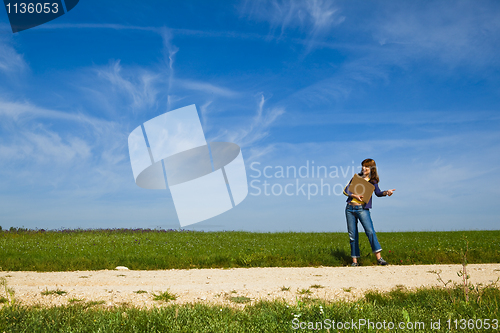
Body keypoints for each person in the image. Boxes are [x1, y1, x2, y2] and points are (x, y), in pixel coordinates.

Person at [343, 159, 395, 266]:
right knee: (353, 235)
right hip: (349, 209)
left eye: (366, 166)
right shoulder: (356, 178)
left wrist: (387, 192)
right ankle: (355, 261)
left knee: (370, 232)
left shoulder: (373, 181)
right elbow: (346, 190)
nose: (364, 168)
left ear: (372, 168)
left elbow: (378, 193)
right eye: (363, 166)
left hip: (362, 209)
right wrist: (354, 195)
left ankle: (379, 259)